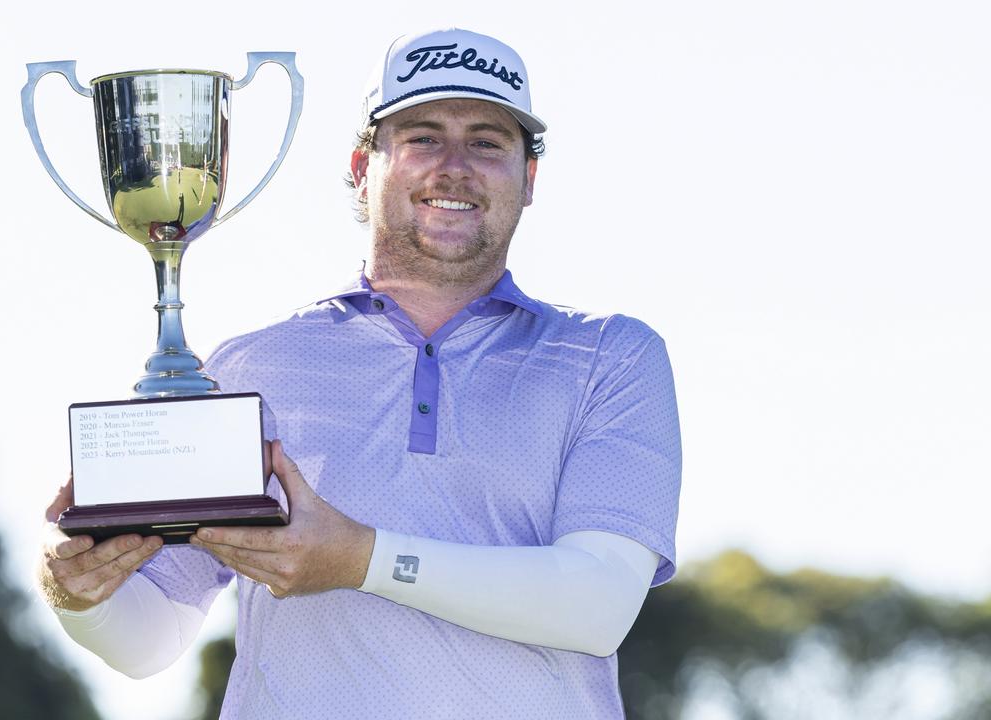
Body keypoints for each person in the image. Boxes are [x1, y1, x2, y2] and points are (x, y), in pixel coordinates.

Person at [38, 27, 682, 720]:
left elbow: (597, 604)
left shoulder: (611, 356)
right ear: (362, 167)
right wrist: (76, 590)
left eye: (489, 142)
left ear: (528, 179)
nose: (455, 166)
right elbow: (149, 638)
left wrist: (364, 560)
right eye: (423, 137)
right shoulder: (254, 366)